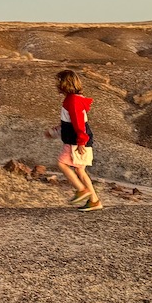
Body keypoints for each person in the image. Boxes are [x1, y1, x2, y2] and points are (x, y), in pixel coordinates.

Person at [56, 69, 102, 211]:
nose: (55, 84)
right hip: (79, 140)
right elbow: (70, 121)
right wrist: (56, 130)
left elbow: (79, 122)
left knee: (62, 164)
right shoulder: (74, 99)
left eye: (58, 81)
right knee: (80, 171)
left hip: (76, 142)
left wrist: (81, 141)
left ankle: (81, 189)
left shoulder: (73, 101)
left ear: (64, 83)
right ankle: (94, 201)